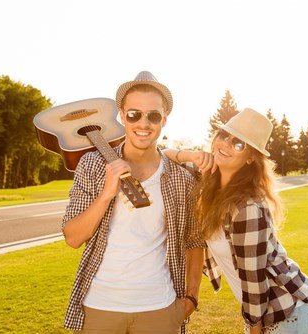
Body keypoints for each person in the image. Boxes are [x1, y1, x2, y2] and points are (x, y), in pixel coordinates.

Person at [61, 71, 204, 334]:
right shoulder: (92, 165)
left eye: (153, 115)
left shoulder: (182, 179)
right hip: (100, 308)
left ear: (164, 120)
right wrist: (107, 193)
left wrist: (191, 299)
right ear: (121, 115)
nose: (143, 123)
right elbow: (73, 237)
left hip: (160, 309)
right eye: (134, 114)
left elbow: (195, 241)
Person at [165, 108, 308, 333]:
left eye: (239, 143)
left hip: (287, 310)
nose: (226, 143)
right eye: (224, 135)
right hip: (262, 309)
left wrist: (254, 328)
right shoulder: (208, 178)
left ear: (250, 158)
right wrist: (189, 155)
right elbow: (162, 155)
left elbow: (253, 278)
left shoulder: (248, 208)